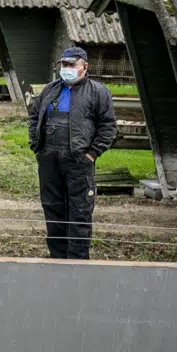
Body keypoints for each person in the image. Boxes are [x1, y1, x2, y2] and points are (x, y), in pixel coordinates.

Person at [27, 47, 116, 259]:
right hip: (49, 160)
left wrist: (92, 154)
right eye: (64, 65)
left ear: (85, 67)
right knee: (52, 208)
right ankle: (57, 259)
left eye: (71, 65)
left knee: (80, 212)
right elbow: (33, 117)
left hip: (79, 161)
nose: (66, 69)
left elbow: (108, 127)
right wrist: (36, 146)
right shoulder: (50, 90)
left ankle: (77, 263)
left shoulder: (98, 92)